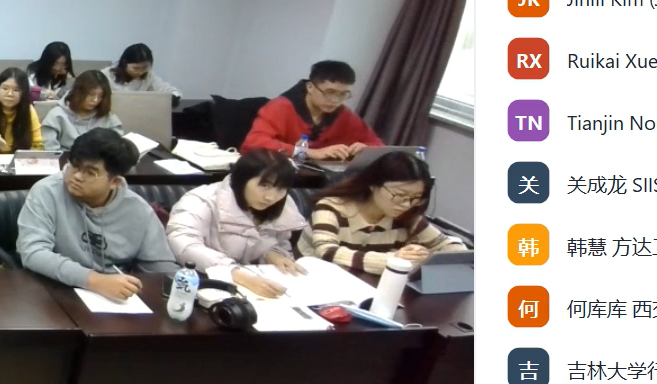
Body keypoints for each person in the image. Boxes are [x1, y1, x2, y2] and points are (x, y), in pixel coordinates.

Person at [17, 129, 179, 301]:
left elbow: (160, 268)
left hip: (116, 297)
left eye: (90, 172)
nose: (77, 176)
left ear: (114, 182)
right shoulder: (46, 192)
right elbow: (33, 252)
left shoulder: (138, 210)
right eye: (74, 165)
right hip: (56, 290)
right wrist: (95, 281)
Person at [164, 149, 309, 298]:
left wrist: (273, 254)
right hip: (199, 285)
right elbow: (183, 244)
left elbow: (281, 242)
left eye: (281, 188)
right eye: (264, 185)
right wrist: (235, 273)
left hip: (257, 286)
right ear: (242, 179)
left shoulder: (283, 206)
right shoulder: (201, 200)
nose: (271, 197)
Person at [299, 150, 463, 275]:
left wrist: (424, 256)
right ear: (373, 184)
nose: (406, 204)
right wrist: (394, 260)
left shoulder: (407, 216)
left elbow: (447, 245)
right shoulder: (331, 207)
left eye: (415, 198)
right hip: (314, 279)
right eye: (399, 195)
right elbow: (327, 251)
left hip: (366, 285)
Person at [242, 60, 384, 158]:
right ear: (310, 87)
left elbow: (378, 145)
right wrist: (307, 153)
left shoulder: (343, 114)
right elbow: (253, 143)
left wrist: (365, 149)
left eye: (343, 94)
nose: (335, 100)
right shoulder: (281, 107)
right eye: (329, 92)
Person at [40, 70, 123, 152]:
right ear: (78, 92)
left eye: (100, 96)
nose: (95, 100)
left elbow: (118, 148)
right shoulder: (57, 116)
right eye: (91, 94)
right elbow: (51, 152)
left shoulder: (108, 117)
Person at [112, 43, 182, 97]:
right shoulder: (108, 76)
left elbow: (168, 89)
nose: (140, 72)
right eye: (136, 68)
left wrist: (173, 96)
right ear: (124, 63)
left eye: (145, 68)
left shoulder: (149, 75)